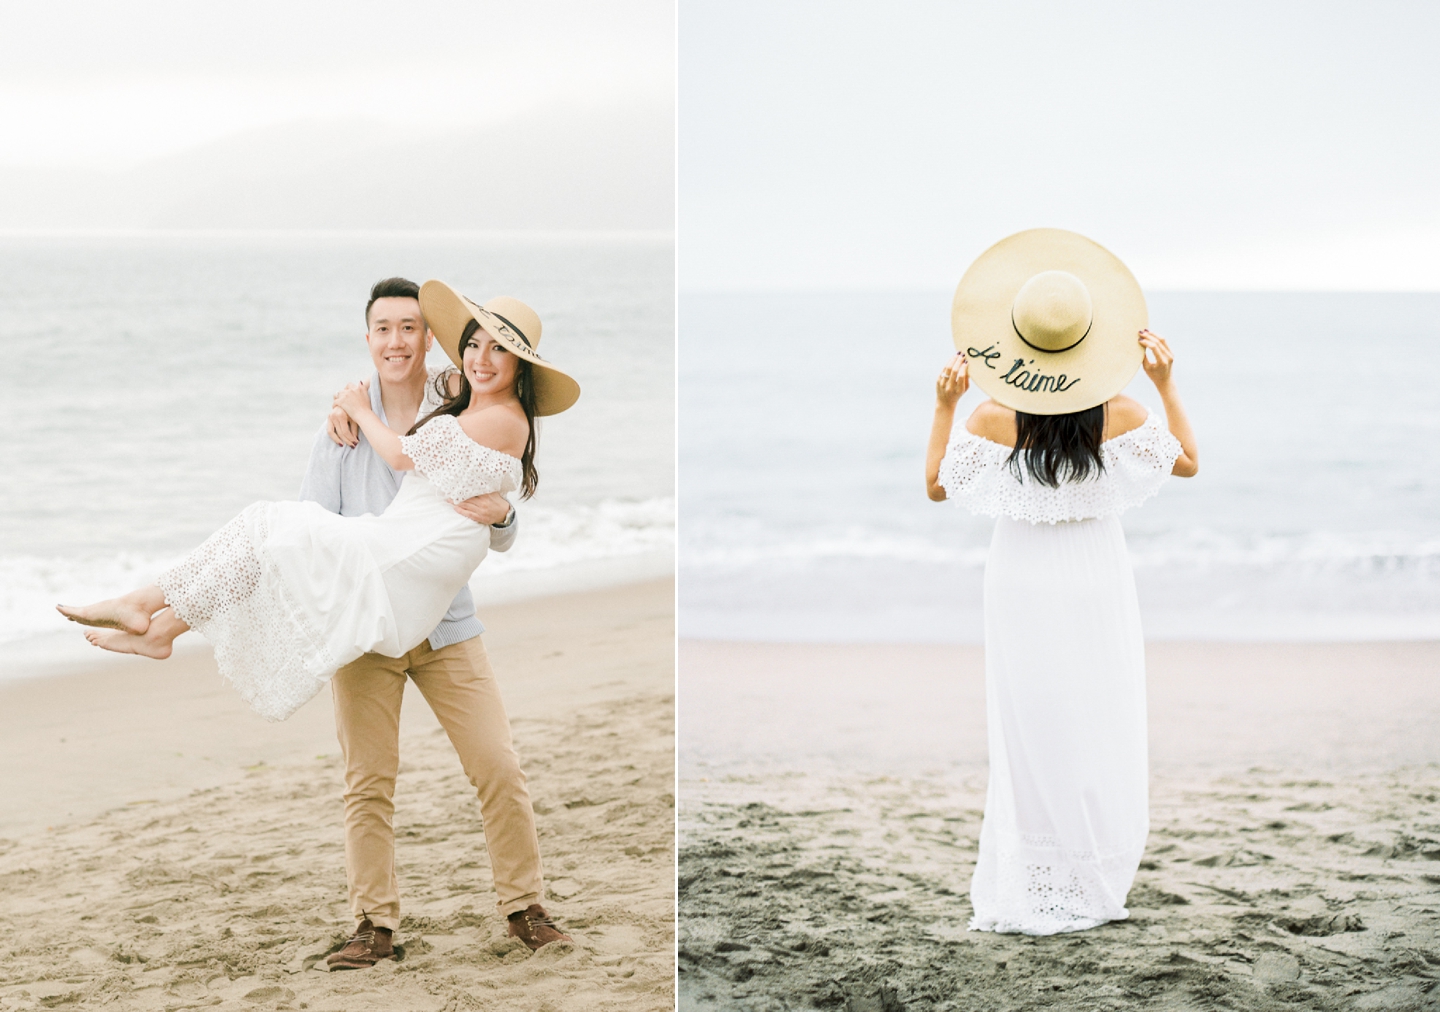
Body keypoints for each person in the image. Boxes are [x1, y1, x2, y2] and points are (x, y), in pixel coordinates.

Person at [57, 277, 580, 963]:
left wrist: (505, 513)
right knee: (366, 781)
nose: (397, 341)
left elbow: (497, 522)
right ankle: (374, 926)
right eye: (383, 329)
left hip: (447, 625)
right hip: (364, 614)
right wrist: (353, 417)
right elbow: (308, 536)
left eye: (409, 328)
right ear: (369, 339)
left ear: (428, 339)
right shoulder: (340, 431)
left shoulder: (455, 402)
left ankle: (526, 908)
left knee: (498, 768)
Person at [923, 229, 1199, 936]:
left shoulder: (992, 414)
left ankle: (1035, 869)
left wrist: (944, 403)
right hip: (1096, 575)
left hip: (1019, 578)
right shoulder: (1124, 411)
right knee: (1097, 715)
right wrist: (1165, 382)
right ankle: (1093, 867)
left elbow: (935, 488)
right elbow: (1188, 462)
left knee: (1030, 722)